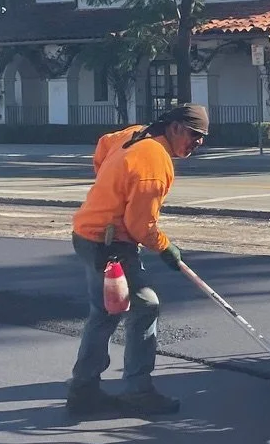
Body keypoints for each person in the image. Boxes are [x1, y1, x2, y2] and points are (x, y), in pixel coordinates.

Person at [66, 102, 208, 418]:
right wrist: (166, 248)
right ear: (174, 128)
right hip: (109, 244)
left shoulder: (137, 134)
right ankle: (137, 390)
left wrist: (109, 190)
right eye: (194, 135)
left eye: (202, 138)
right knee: (145, 305)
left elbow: (103, 147)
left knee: (104, 313)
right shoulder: (155, 163)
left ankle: (84, 390)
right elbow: (141, 226)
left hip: (89, 233)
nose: (197, 143)